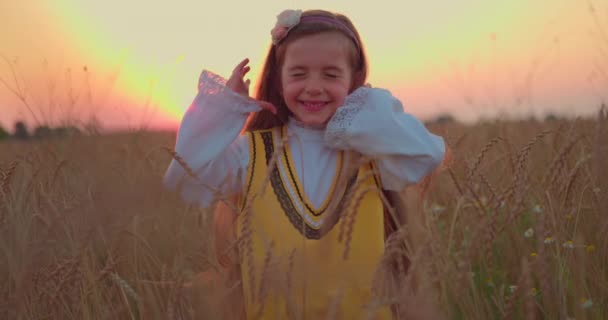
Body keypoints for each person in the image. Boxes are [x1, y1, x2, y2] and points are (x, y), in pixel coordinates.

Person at [164, 8, 446, 319]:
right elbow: (186, 178)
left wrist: (359, 108)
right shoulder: (252, 153)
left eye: (331, 74)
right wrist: (225, 108)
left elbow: (427, 155)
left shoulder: (372, 150)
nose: (314, 86)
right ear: (278, 79)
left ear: (355, 80)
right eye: (298, 74)